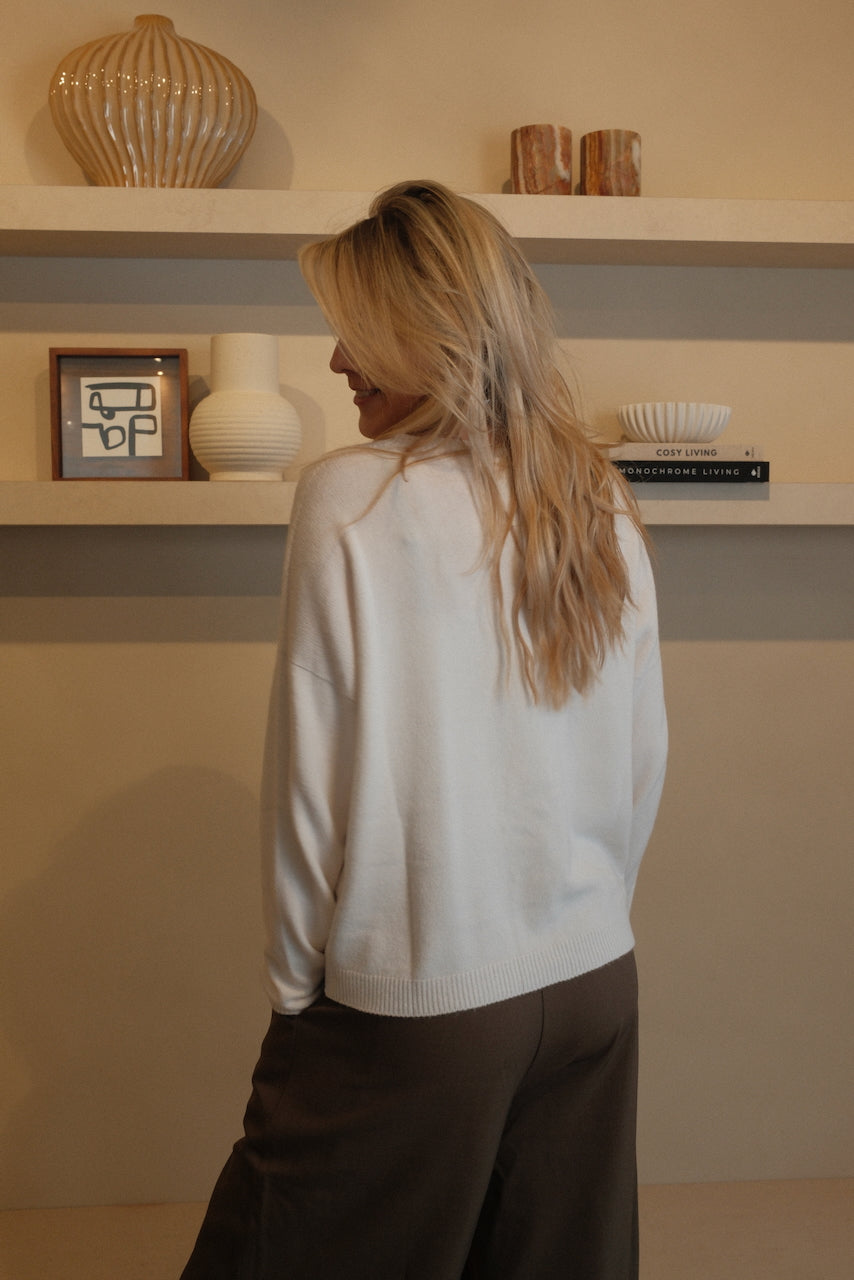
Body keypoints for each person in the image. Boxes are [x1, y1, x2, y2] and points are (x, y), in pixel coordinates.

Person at [181, 180, 667, 1280]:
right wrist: (577, 912)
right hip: (592, 982)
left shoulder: (353, 497)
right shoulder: (595, 493)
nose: (335, 360)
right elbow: (641, 757)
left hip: (418, 999)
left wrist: (297, 992)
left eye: (356, 332)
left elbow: (311, 775)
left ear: (427, 332)